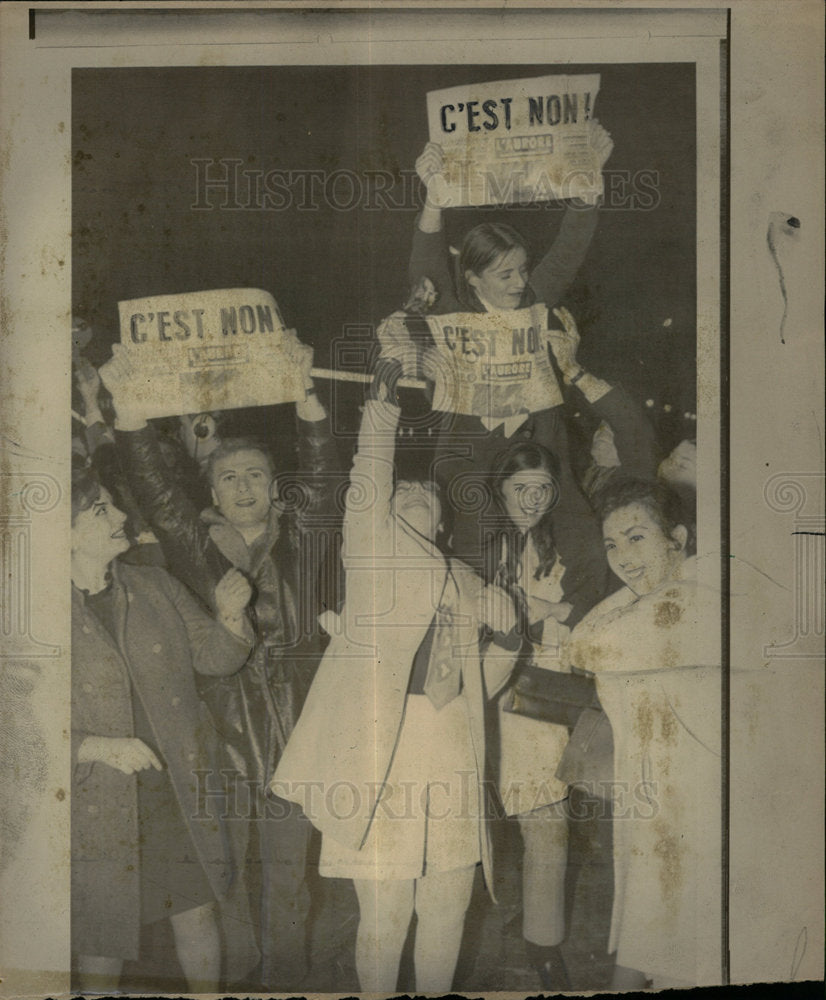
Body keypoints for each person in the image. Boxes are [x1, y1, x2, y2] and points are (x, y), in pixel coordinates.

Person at [270, 369, 520, 994]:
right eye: (399, 495)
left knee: (447, 907)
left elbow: (478, 686)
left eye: (426, 499)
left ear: (440, 523)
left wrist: (510, 635)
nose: (413, 497)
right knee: (385, 914)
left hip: (451, 755)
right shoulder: (373, 554)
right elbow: (368, 481)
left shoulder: (468, 581)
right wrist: (380, 408)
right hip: (380, 755)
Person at [100, 340, 341, 989]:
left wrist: (307, 398)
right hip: (219, 739)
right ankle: (238, 978)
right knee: (223, 878)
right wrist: (128, 413)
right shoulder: (195, 545)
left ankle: (285, 981)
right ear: (210, 487)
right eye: (228, 477)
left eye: (256, 475)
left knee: (290, 881)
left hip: (299, 735)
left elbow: (324, 477)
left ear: (275, 484)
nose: (242, 486)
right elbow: (155, 491)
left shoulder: (307, 535)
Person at [70, 472, 253, 992]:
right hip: (93, 796)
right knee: (101, 938)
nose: (122, 517)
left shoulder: (153, 585)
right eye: (101, 510)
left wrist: (231, 616)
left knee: (196, 916)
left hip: (171, 789)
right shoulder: (29, 611)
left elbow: (216, 657)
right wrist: (94, 746)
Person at [403, 124, 614, 573]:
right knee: (477, 543)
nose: (520, 283)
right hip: (469, 461)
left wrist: (588, 176)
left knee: (583, 540)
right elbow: (425, 264)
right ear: (474, 278)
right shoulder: (450, 311)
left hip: (542, 449)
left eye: (522, 270)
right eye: (506, 275)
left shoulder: (535, 298)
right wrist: (433, 199)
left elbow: (568, 250)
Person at [565, 478, 721, 989]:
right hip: (656, 796)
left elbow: (582, 646)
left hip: (687, 804)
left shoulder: (685, 599)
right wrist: (636, 585)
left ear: (678, 536)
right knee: (647, 929)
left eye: (637, 538)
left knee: (672, 941)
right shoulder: (659, 595)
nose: (623, 556)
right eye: (611, 543)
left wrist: (631, 593)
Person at [484, 438, 608, 990]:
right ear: (499, 489)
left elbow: (582, 613)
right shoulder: (478, 543)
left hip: (534, 707)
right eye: (520, 488)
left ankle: (543, 945)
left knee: (548, 830)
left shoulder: (561, 543)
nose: (532, 499)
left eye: (542, 489)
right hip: (478, 701)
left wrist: (550, 610)